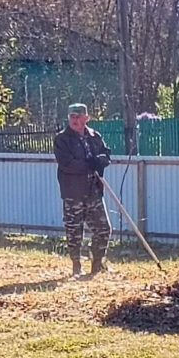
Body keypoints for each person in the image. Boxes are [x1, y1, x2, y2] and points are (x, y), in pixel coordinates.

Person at [53, 103, 112, 277]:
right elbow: (66, 163)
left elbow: (106, 154)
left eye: (79, 116)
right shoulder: (62, 139)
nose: (75, 120)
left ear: (87, 118)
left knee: (104, 228)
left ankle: (97, 263)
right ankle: (76, 264)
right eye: (72, 116)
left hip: (94, 191)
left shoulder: (95, 136)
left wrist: (102, 160)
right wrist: (89, 165)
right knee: (74, 231)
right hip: (73, 192)